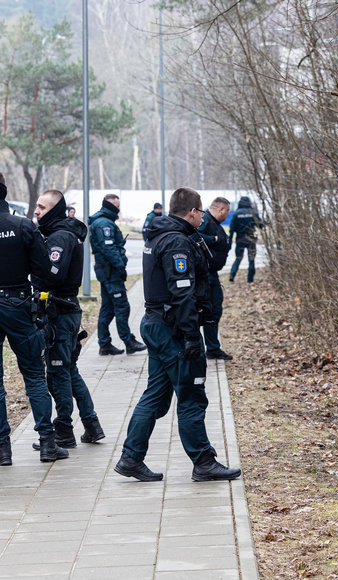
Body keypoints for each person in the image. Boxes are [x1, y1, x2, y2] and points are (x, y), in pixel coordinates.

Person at [115, 187, 241, 483]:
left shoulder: (160, 234)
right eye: (201, 212)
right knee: (192, 393)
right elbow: (181, 293)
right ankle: (203, 461)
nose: (203, 217)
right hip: (172, 328)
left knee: (156, 395)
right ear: (193, 212)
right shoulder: (176, 242)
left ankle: (131, 457)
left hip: (157, 324)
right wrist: (191, 337)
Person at [0, 171, 67, 466]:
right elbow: (42, 268)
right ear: (4, 193)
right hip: (18, 304)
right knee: (33, 376)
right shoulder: (22, 225)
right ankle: (46, 443)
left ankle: (3, 450)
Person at [30, 189, 106, 449]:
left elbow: (53, 274)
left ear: (54, 209)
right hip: (65, 310)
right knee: (70, 370)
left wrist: (32, 258)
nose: (37, 211)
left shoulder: (60, 236)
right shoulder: (57, 233)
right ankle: (92, 426)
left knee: (57, 372)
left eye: (41, 207)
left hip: (60, 312)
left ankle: (63, 431)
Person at [88, 194, 146, 356]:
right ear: (111, 205)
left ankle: (104, 344)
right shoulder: (104, 224)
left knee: (108, 308)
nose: (119, 209)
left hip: (107, 271)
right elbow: (109, 249)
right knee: (121, 306)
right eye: (117, 205)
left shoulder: (104, 221)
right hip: (111, 271)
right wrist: (120, 266)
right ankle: (128, 341)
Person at [197, 197, 233, 360]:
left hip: (211, 274)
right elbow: (194, 236)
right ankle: (208, 347)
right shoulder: (205, 220)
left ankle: (212, 347)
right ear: (221, 209)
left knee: (214, 310)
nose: (227, 215)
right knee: (208, 311)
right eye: (227, 211)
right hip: (205, 275)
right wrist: (215, 240)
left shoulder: (212, 222)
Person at [228, 196, 262, 283]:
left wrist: (230, 241)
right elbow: (261, 225)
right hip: (251, 240)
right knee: (251, 259)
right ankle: (250, 279)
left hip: (240, 240)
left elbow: (231, 229)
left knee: (238, 258)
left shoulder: (236, 214)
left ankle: (232, 275)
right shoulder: (253, 213)